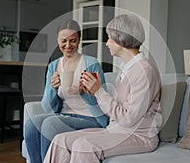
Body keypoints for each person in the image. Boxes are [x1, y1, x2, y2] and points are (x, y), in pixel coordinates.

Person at [43, 14, 162, 163]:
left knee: (84, 145)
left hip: (139, 135)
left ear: (121, 38)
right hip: (116, 130)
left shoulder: (145, 71)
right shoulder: (126, 69)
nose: (107, 43)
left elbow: (129, 119)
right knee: (60, 140)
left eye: (109, 38)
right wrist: (94, 91)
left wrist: (98, 91)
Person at [24, 19, 109, 163]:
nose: (68, 45)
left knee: (49, 125)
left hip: (90, 118)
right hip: (64, 115)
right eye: (63, 41)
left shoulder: (91, 64)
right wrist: (53, 87)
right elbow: (47, 107)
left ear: (79, 40)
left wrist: (85, 93)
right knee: (31, 125)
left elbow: (103, 104)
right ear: (57, 40)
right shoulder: (53, 66)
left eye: (73, 40)